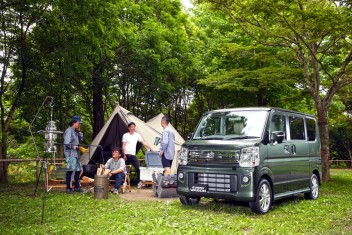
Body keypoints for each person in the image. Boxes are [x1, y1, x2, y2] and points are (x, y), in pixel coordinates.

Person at [64, 116, 84, 193]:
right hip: (70, 154)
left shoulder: (75, 131)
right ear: (74, 122)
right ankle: (68, 188)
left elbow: (81, 139)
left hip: (76, 154)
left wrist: (79, 131)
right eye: (79, 123)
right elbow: (66, 144)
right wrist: (77, 147)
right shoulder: (69, 131)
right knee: (70, 170)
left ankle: (77, 187)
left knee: (78, 170)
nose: (79, 125)